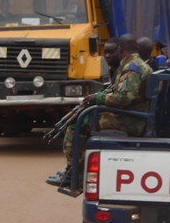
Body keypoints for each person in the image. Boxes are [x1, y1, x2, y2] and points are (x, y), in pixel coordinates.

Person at [47, 34, 151, 187]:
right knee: (84, 117)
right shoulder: (136, 65)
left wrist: (98, 98)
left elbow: (124, 98)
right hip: (132, 117)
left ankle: (74, 173)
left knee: (77, 125)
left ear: (120, 50)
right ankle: (76, 170)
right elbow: (119, 91)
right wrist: (100, 95)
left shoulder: (131, 68)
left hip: (130, 121)